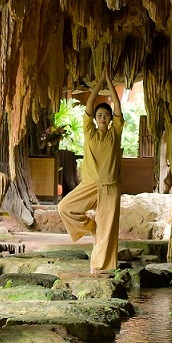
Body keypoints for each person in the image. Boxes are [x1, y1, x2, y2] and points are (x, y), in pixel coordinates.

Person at [57, 68, 124, 275]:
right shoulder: (89, 131)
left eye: (106, 115)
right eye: (99, 115)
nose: (103, 117)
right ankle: (90, 225)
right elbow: (88, 105)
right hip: (89, 184)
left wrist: (110, 84)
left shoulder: (116, 132)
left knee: (107, 232)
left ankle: (99, 267)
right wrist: (99, 84)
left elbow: (118, 107)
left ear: (111, 118)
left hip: (110, 188)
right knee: (65, 207)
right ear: (95, 118)